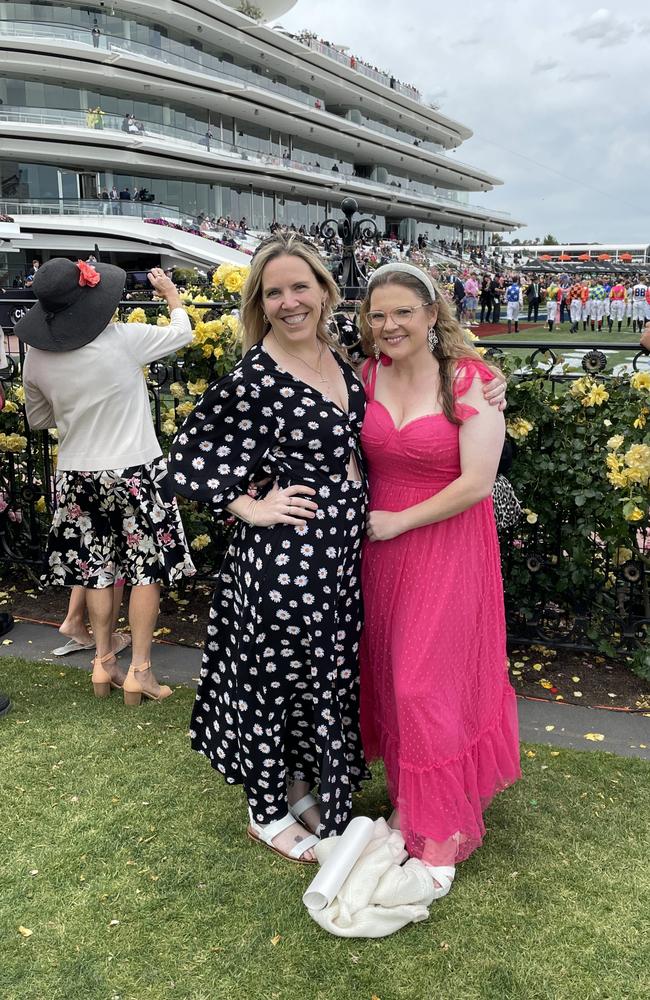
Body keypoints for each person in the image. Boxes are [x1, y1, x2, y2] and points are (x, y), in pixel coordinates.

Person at [169, 233, 369, 863]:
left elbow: (422, 365)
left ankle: (302, 786)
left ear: (324, 290)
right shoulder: (256, 375)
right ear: (259, 301)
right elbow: (188, 456)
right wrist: (252, 506)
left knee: (322, 678)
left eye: (299, 286)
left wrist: (487, 383)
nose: (288, 302)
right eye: (273, 291)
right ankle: (264, 809)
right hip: (284, 561)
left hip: (338, 559)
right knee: (274, 681)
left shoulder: (340, 357)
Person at [357, 262, 520, 900]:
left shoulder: (471, 381)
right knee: (393, 676)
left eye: (402, 312)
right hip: (382, 552)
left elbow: (477, 482)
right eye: (377, 314)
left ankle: (442, 832)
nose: (389, 324)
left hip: (445, 543)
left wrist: (399, 521)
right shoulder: (366, 375)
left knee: (425, 682)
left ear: (431, 315)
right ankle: (411, 803)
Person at [17, 260, 195, 705]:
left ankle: (102, 662)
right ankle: (140, 671)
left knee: (97, 570)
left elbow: (39, 419)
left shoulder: (37, 358)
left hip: (78, 471)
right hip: (136, 468)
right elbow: (182, 332)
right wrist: (172, 296)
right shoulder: (121, 339)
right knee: (145, 571)